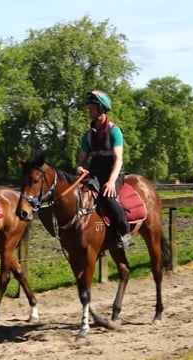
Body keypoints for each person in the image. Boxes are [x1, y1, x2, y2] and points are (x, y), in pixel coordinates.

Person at [76, 90, 130, 248]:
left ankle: (124, 233)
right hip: (95, 173)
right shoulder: (87, 135)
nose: (89, 111)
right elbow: (81, 161)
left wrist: (112, 181)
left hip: (113, 172)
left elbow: (118, 159)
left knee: (108, 198)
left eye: (92, 107)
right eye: (89, 108)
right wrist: (80, 168)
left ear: (101, 109)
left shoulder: (114, 131)